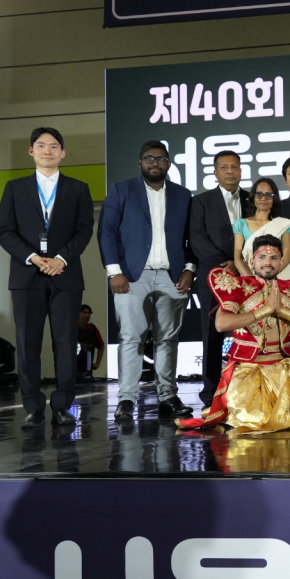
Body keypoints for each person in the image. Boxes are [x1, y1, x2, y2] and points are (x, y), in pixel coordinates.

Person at [176, 235, 290, 432]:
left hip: (285, 366)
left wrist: (283, 311)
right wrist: (264, 311)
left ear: (281, 262)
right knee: (256, 420)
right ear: (252, 261)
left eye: (273, 258)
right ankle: (284, 408)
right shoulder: (239, 287)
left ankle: (286, 406)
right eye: (262, 257)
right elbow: (221, 324)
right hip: (249, 370)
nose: (267, 262)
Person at [0, 127, 94, 427]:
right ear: (31, 151)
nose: (47, 151)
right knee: (28, 344)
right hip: (27, 275)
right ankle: (33, 406)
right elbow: (4, 231)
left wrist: (61, 258)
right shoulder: (15, 188)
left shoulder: (78, 188)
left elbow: (84, 230)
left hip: (65, 274)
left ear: (62, 152)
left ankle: (63, 406)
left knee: (66, 343)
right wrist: (33, 257)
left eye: (53, 146)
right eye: (41, 145)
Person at [98, 140, 196, 421]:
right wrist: (114, 271)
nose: (155, 163)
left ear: (169, 164)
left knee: (168, 339)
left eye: (161, 159)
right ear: (139, 162)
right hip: (130, 276)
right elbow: (106, 231)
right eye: (150, 158)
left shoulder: (182, 195)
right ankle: (127, 399)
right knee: (131, 338)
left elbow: (192, 236)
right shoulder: (121, 189)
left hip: (172, 276)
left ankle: (168, 396)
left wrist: (190, 269)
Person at [189, 150, 250, 409]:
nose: (229, 171)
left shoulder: (251, 199)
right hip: (214, 278)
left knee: (249, 332)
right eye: (224, 167)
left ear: (241, 170)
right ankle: (211, 394)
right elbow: (197, 238)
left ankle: (248, 390)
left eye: (234, 166)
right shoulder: (201, 201)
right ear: (215, 172)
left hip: (248, 276)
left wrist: (240, 264)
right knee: (212, 336)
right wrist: (227, 264)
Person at [233, 177, 290, 279]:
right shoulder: (241, 224)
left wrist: (268, 279)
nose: (263, 198)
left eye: (268, 195)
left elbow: (286, 257)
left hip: (277, 280)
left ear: (274, 198)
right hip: (250, 280)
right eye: (259, 194)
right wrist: (254, 282)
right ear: (253, 197)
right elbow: (238, 259)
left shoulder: (283, 225)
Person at [77, 305, 104, 381]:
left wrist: (97, 363)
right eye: (84, 313)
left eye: (88, 313)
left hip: (87, 373)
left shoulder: (93, 329)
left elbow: (101, 346)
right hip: (72, 371)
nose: (87, 315)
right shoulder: (72, 329)